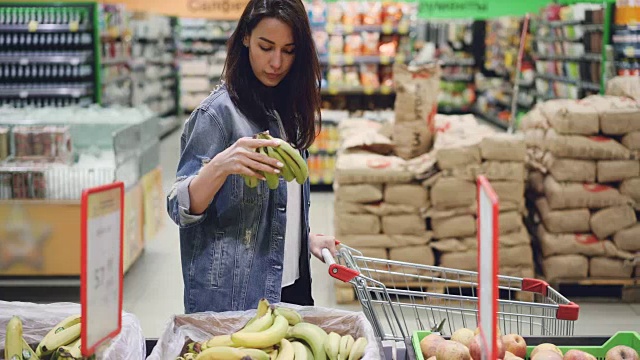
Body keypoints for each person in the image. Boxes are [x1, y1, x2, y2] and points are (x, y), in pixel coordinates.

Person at [166, 0, 338, 314]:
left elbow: (272, 203)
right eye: (266, 46)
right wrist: (220, 166)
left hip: (291, 286)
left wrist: (302, 237)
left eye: (289, 50)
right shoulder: (218, 114)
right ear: (245, 37)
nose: (277, 62)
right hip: (236, 299)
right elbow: (179, 208)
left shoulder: (289, 109)